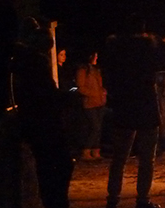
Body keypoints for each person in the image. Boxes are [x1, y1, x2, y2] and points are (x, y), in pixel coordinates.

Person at [100, 15, 165, 208]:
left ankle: (112, 200)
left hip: (123, 107)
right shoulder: (147, 47)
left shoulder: (113, 48)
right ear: (142, 30)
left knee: (119, 158)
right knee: (147, 159)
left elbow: (106, 74)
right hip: (146, 107)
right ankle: (143, 201)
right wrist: (157, 40)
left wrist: (113, 94)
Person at [10, 17, 73, 208]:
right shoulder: (35, 62)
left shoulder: (27, 60)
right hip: (45, 123)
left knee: (51, 167)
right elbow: (45, 94)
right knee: (58, 166)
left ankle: (54, 202)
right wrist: (65, 97)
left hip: (38, 123)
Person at [76, 51, 108, 161]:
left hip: (99, 102)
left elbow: (100, 85)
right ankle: (86, 150)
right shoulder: (83, 70)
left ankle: (96, 151)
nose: (97, 58)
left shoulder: (96, 70)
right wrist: (93, 94)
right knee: (95, 127)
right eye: (95, 56)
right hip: (90, 103)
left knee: (98, 128)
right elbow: (81, 87)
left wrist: (102, 92)